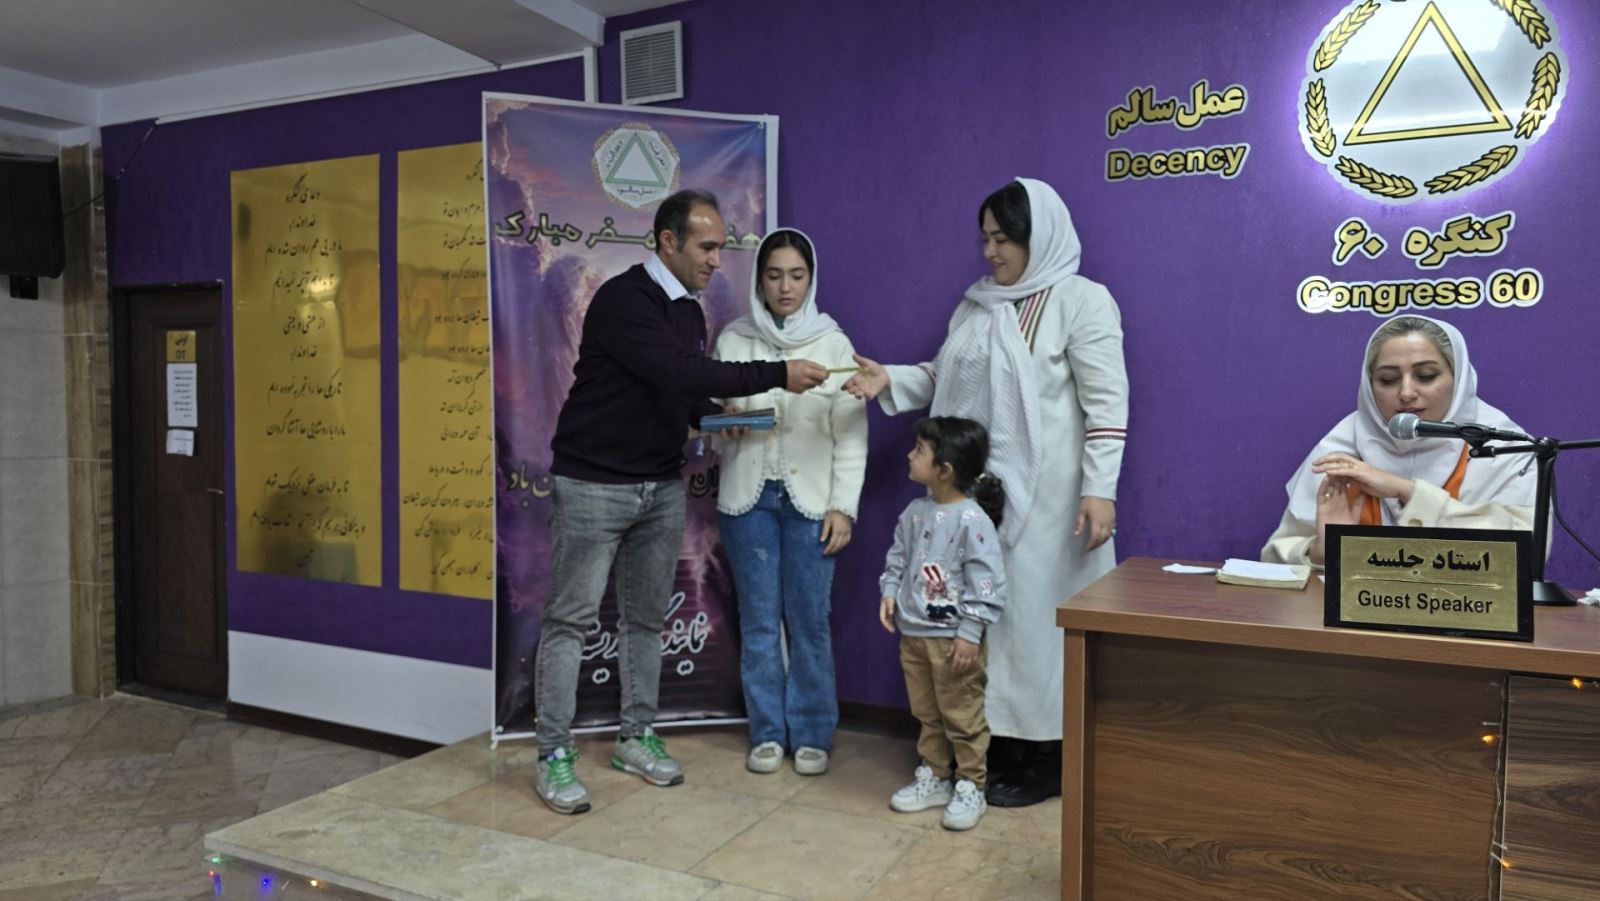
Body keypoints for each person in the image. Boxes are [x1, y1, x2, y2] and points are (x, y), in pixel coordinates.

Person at [533, 189, 829, 815]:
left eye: (720, 247)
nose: (718, 260)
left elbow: (684, 397)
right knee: (570, 621)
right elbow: (677, 372)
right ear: (668, 242)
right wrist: (779, 375)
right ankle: (553, 753)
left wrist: (724, 418)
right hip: (593, 484)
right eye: (707, 246)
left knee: (644, 620)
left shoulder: (690, 313)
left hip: (660, 486)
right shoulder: (623, 300)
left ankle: (635, 737)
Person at [845, 178, 1129, 807]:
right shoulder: (976, 307)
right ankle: (996, 743)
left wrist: (1099, 490)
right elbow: (946, 376)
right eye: (985, 239)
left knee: (1037, 625)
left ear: (1039, 237)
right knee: (985, 615)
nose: (991, 252)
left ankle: (1048, 754)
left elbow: (1107, 403)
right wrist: (889, 379)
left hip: (1054, 503)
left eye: (1004, 239)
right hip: (980, 501)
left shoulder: (1081, 301)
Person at [712, 228, 867, 776]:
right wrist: (723, 423)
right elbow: (710, 416)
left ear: (811, 279)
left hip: (812, 504)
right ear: (759, 279)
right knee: (757, 621)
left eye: (796, 275)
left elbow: (851, 435)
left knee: (809, 622)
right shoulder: (734, 340)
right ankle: (766, 732)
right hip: (745, 501)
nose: (785, 287)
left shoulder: (833, 344)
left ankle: (812, 733)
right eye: (774, 275)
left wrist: (843, 507)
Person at [1262, 315, 1535, 566]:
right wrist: (1324, 552)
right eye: (1388, 379)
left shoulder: (1504, 447)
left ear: (1459, 378)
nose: (1406, 393)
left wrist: (1405, 491)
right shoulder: (1339, 453)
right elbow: (1275, 560)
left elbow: (1524, 555)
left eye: (1425, 376)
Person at [879, 416, 1007, 832]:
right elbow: (898, 558)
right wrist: (889, 591)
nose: (909, 455)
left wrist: (970, 633)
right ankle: (934, 775)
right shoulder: (914, 513)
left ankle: (971, 784)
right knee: (926, 712)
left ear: (945, 469)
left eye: (919, 450)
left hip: (954, 642)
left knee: (962, 714)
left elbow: (987, 583)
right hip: (914, 636)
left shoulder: (973, 520)